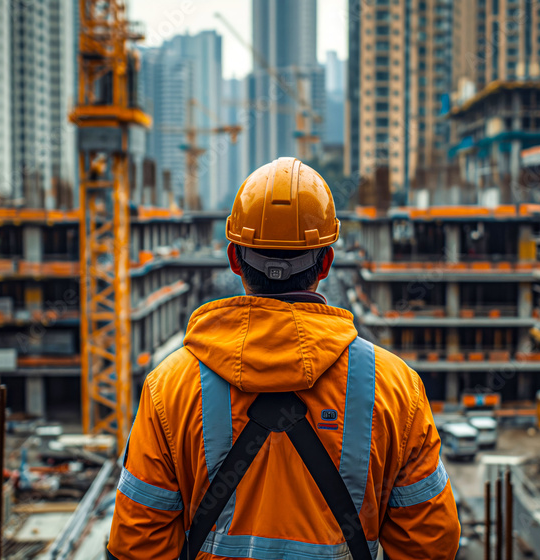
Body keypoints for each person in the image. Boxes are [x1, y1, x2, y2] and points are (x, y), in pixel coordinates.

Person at [107, 157, 461, 559]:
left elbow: (137, 544)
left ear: (234, 259)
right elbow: (431, 544)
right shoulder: (396, 388)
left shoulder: (168, 387)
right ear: (326, 262)